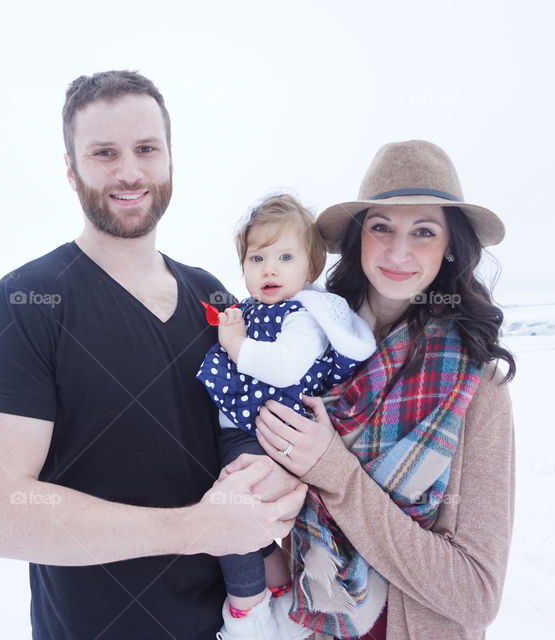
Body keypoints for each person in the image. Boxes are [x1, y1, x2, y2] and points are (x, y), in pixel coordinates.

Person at [0, 70, 307, 640]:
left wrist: (269, 474)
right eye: (104, 153)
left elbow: (252, 427)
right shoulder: (28, 302)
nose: (129, 171)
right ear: (71, 170)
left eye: (147, 149)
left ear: (170, 160)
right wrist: (197, 529)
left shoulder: (215, 300)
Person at [228, 140, 516, 639]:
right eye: (382, 227)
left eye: (423, 231)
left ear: (450, 245)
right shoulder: (310, 352)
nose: (398, 252)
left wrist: (335, 471)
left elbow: (476, 593)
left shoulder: (478, 388)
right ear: (360, 238)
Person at [196, 192, 376, 639]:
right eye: (257, 257)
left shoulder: (305, 316)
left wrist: (236, 345)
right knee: (249, 520)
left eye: (285, 256)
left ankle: (246, 611)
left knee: (233, 515)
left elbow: (284, 366)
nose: (269, 269)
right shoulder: (255, 310)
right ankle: (279, 592)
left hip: (265, 434)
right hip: (241, 430)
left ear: (311, 269)